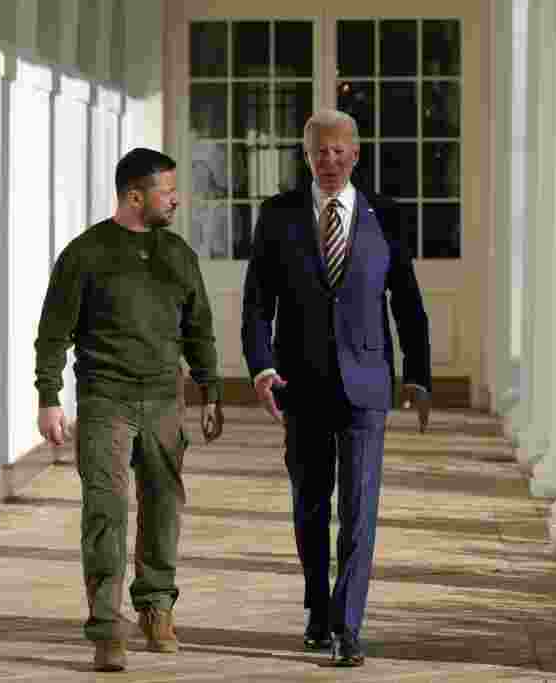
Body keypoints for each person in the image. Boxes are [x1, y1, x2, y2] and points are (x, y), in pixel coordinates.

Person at [241, 109, 433, 667]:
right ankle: (318, 609)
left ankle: (348, 626)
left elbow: (407, 300)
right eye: (319, 151)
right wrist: (261, 367)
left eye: (339, 150)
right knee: (310, 505)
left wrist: (418, 375)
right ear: (306, 156)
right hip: (300, 383)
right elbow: (258, 303)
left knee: (358, 508)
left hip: (366, 385)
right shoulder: (278, 216)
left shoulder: (386, 215)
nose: (329, 160)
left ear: (356, 154)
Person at [34, 148, 224, 672]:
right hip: (105, 400)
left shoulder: (178, 255)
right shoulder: (85, 254)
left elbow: (199, 328)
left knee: (163, 506)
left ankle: (157, 607)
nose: (176, 200)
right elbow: (53, 333)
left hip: (164, 399)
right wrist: (49, 397)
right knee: (106, 511)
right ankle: (106, 628)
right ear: (135, 196)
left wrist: (210, 390)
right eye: (168, 191)